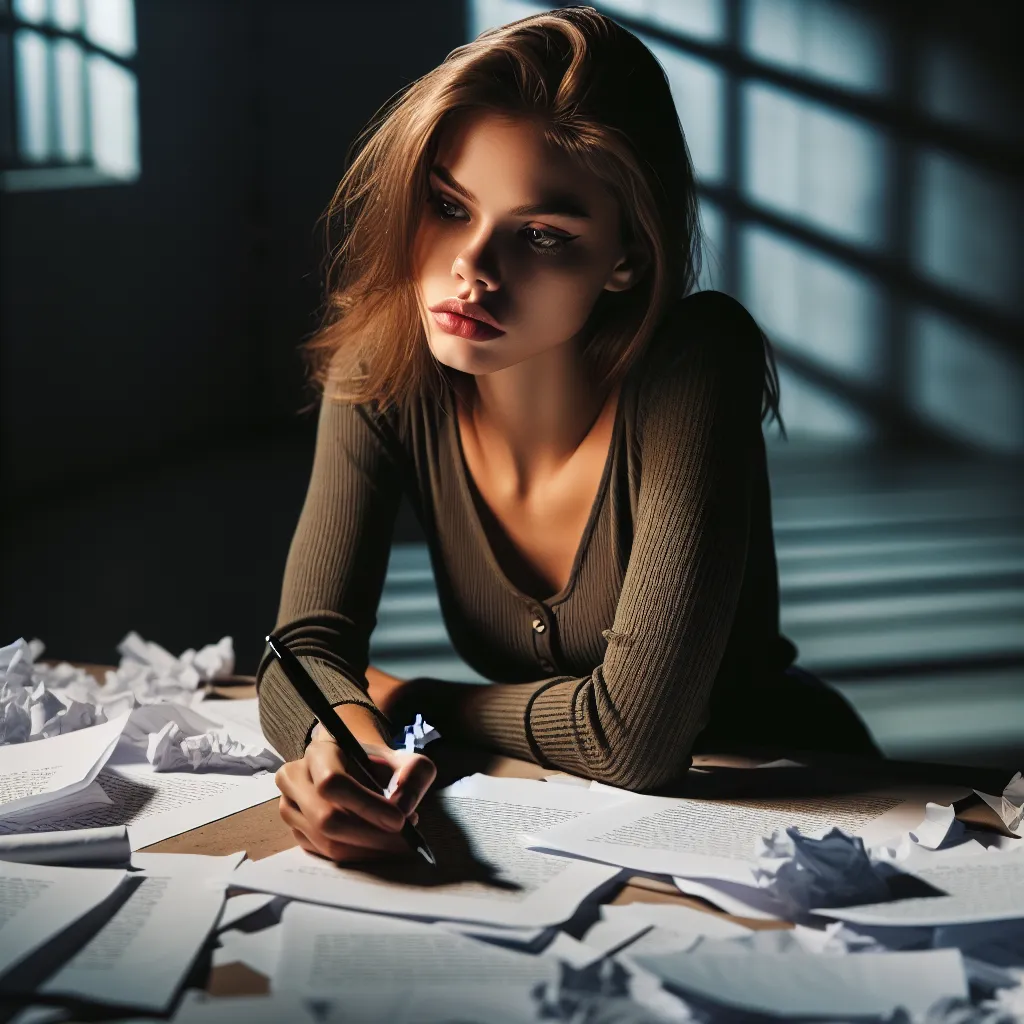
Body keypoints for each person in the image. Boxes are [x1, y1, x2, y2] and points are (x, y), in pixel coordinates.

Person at [257, 6, 879, 865]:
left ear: (626, 255)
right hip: (566, 815)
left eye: (542, 234)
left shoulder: (699, 362)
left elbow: (637, 739)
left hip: (790, 800)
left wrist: (414, 703)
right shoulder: (382, 368)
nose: (471, 268)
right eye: (447, 204)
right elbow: (303, 652)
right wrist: (347, 746)